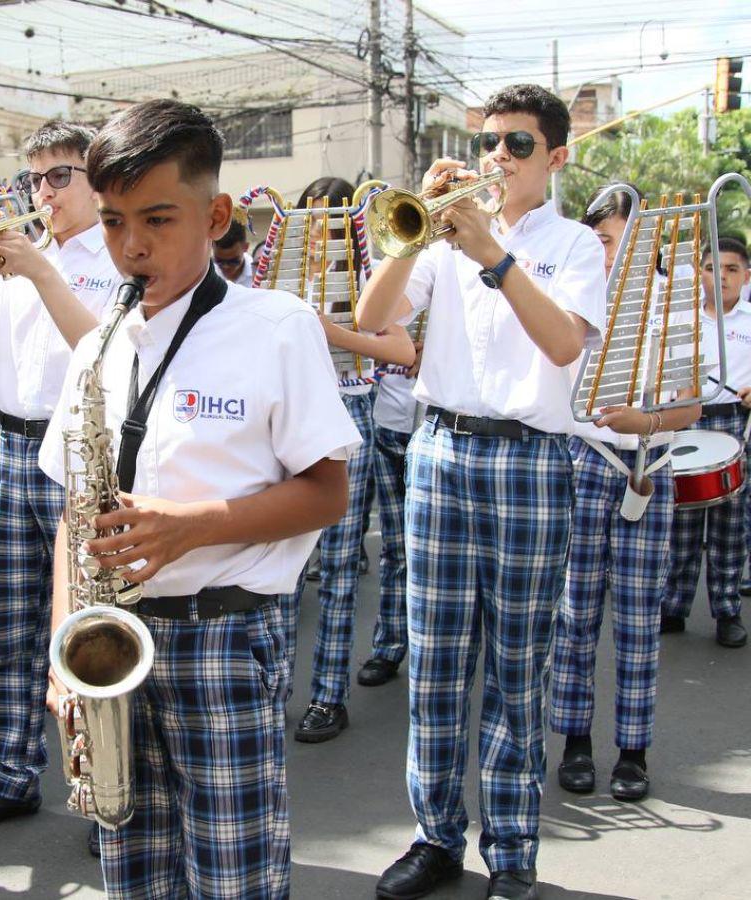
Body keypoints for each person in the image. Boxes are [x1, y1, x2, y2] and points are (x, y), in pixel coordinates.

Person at [42, 98, 359, 900]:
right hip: (113, 642)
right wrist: (62, 651)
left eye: (157, 219)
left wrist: (190, 527)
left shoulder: (278, 326)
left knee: (235, 877)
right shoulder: (98, 343)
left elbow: (328, 492)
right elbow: (73, 510)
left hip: (224, 635)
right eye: (113, 223)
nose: (132, 247)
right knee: (134, 872)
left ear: (217, 215)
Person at [357, 84, 606, 900]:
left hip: (531, 459)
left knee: (515, 666)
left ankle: (512, 852)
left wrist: (491, 253)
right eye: (490, 140)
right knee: (433, 660)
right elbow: (372, 314)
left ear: (557, 158)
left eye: (519, 144)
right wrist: (416, 228)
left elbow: (564, 344)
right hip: (438, 449)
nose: (498, 155)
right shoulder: (443, 233)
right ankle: (436, 837)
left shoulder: (575, 245)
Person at [0, 121, 118, 832]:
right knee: (6, 629)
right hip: (7, 446)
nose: (43, 192)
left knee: (86, 632)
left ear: (95, 178)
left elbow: (103, 355)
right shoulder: (18, 257)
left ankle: (100, 792)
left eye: (59, 176)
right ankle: (9, 776)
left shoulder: (112, 256)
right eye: (34, 179)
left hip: (79, 452)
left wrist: (40, 272)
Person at [549, 186, 701, 805]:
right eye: (601, 241)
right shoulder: (571, 299)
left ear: (648, 241)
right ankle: (577, 741)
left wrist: (648, 423)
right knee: (575, 612)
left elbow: (689, 405)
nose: (605, 252)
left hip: (646, 465)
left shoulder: (675, 304)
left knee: (639, 618)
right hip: (581, 464)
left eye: (614, 240)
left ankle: (633, 751)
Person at [290, 176, 414, 743]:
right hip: (287, 419)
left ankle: (326, 696)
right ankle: (270, 691)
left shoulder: (371, 277)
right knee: (278, 566)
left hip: (350, 412)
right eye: (312, 221)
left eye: (333, 222)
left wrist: (332, 331)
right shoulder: (282, 274)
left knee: (340, 566)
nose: (322, 233)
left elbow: (401, 349)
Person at [661, 236, 751, 649]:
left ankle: (727, 610)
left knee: (731, 526)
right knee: (683, 519)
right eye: (714, 268)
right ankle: (674, 606)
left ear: (746, 276)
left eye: (732, 269)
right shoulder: (682, 319)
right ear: (701, 273)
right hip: (689, 418)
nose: (723, 277)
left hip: (735, 421)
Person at [358, 313, 425, 688]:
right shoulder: (383, 278)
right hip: (389, 425)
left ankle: (441, 647)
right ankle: (389, 646)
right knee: (395, 549)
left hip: (435, 427)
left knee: (443, 558)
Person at [212, 218, 254, 286]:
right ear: (211, 246)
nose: (226, 267)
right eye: (219, 261)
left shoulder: (258, 274)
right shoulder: (205, 275)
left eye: (233, 261)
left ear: (245, 247)